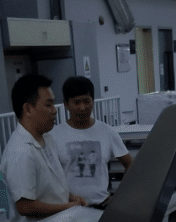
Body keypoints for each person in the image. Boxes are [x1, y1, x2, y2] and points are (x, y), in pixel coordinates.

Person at [0, 74, 87, 222]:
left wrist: (70, 196)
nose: (54, 111)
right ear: (28, 109)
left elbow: (50, 186)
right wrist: (68, 207)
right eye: (49, 105)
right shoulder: (20, 151)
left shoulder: (46, 139)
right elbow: (26, 207)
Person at [48, 76, 133, 209]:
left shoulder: (107, 132)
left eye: (87, 101)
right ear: (66, 104)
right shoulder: (54, 136)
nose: (83, 107)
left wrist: (120, 195)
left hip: (102, 206)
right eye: (76, 102)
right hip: (69, 209)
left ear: (93, 101)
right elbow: (50, 177)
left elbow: (129, 164)